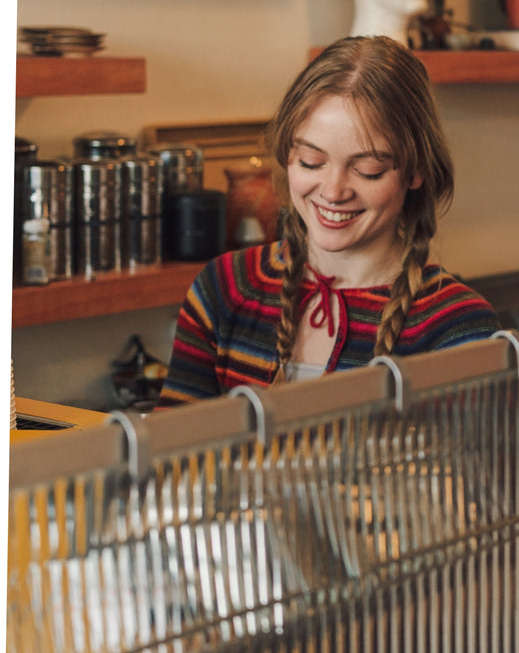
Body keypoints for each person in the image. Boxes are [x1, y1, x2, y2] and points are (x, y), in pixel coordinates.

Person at [158, 36, 499, 405]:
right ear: (287, 155)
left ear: (415, 171)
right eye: (311, 162)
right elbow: (170, 455)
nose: (334, 191)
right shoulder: (224, 288)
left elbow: (463, 462)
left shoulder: (458, 327)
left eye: (368, 169)